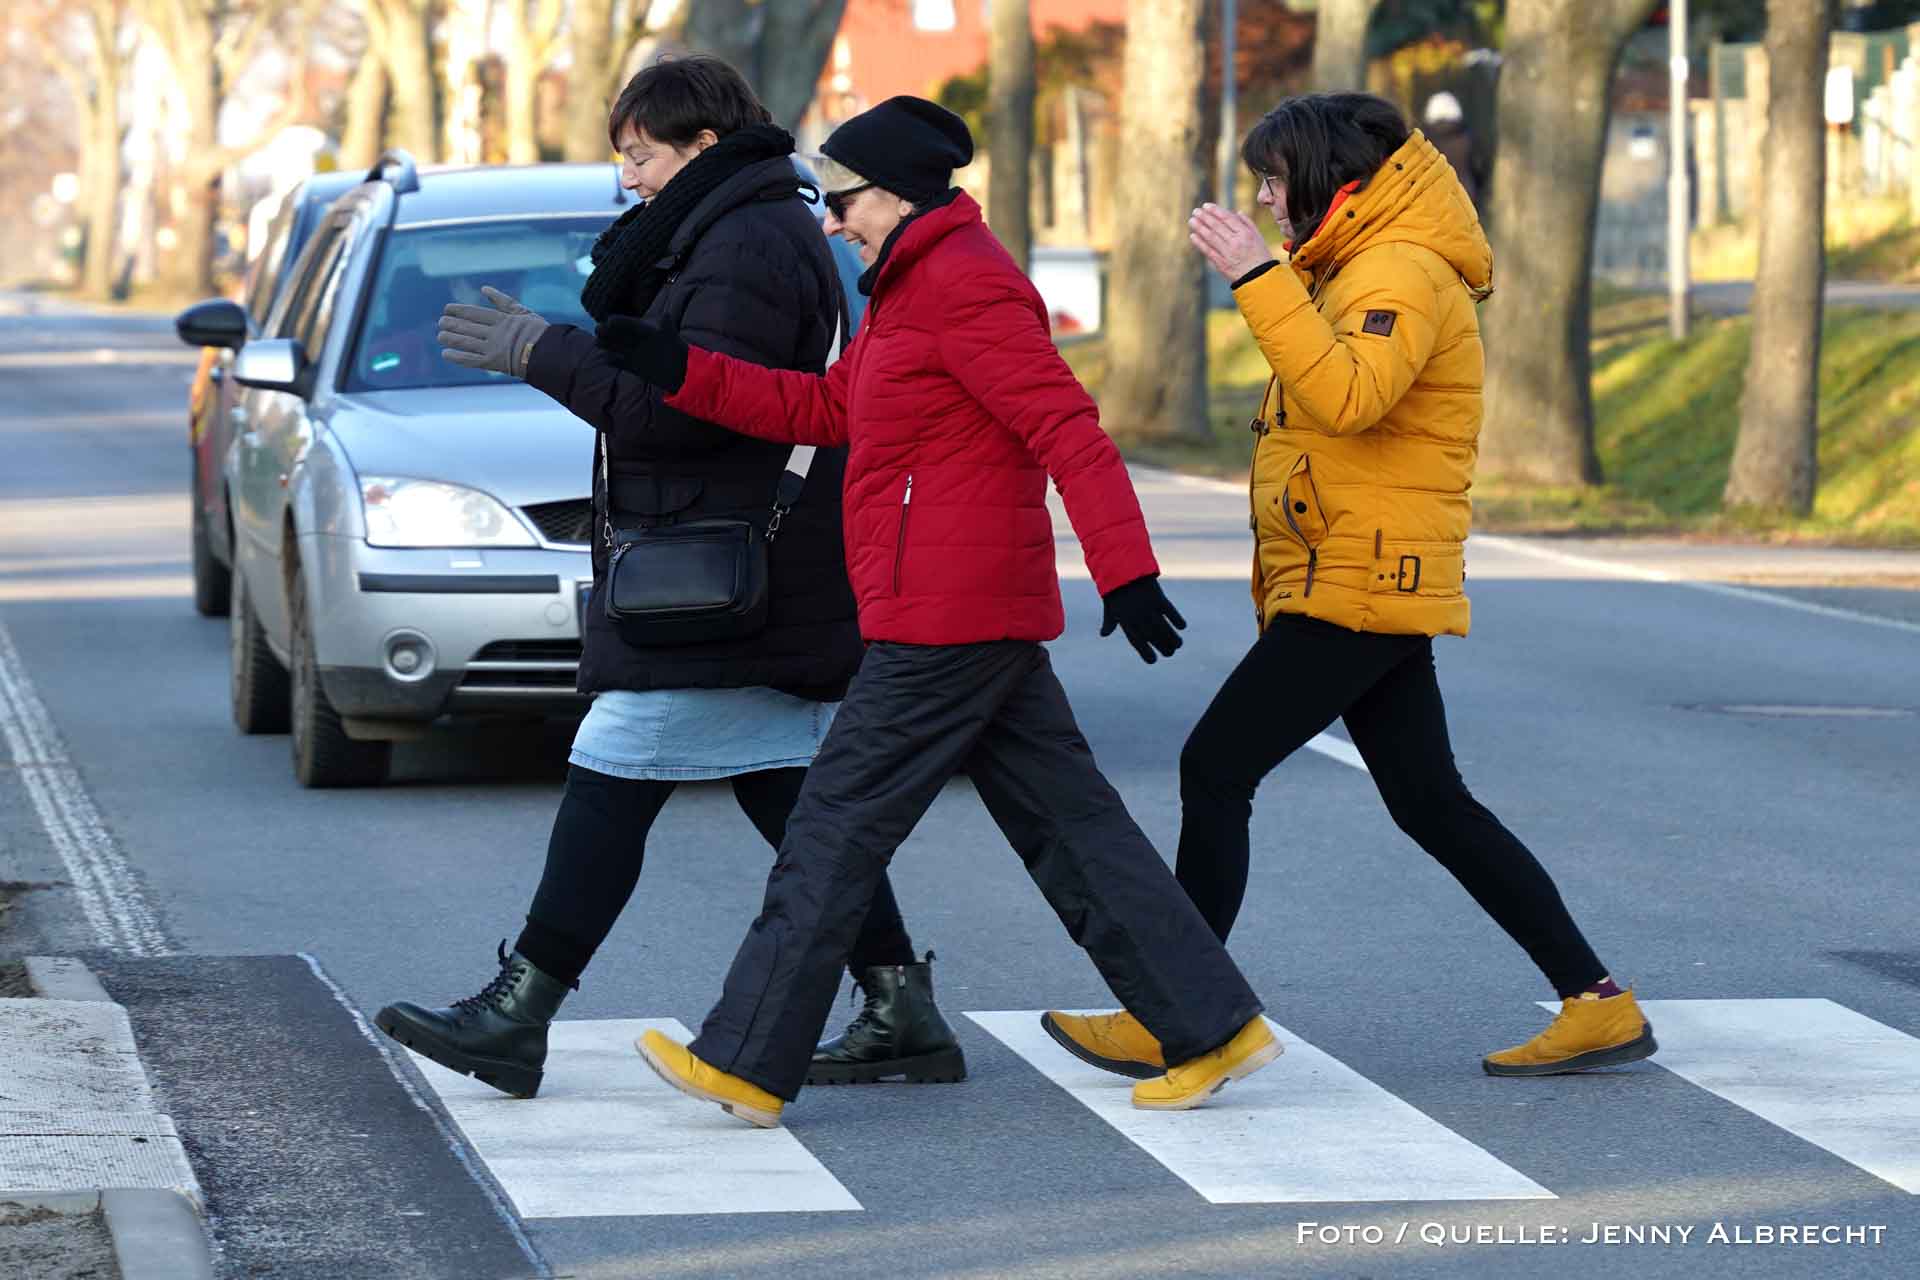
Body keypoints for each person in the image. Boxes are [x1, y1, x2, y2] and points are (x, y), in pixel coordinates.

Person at [598, 95, 1277, 1129]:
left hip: (949, 611)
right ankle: (1213, 1023)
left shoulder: (967, 287)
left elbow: (1067, 426)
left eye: (844, 201)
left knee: (831, 827)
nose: (830, 221)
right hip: (953, 604)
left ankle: (742, 1056)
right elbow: (824, 411)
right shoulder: (908, 290)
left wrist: (1125, 569)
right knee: (1074, 830)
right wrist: (676, 367)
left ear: (901, 193)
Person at [375, 58, 964, 1099]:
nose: (630, 180)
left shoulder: (742, 241)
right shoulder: (735, 224)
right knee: (793, 793)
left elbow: (680, 411)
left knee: (615, 762)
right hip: (735, 554)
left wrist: (543, 354)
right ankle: (898, 1000)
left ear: (699, 144)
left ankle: (520, 1011)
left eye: (641, 156)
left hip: (725, 560)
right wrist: (556, 349)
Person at [1044, 92, 1657, 1081]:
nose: (1265, 200)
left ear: (1341, 180)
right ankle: (1599, 1003)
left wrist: (1257, 277)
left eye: (1277, 180)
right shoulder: (1355, 266)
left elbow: (1349, 395)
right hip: (1357, 568)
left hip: (1363, 576)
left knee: (1215, 766)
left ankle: (1182, 1012)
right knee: (1430, 802)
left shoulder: (1402, 269)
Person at [1422, 91, 1488, 213]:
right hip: (1465, 201)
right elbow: (1479, 168)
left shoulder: (1422, 142)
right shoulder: (1468, 139)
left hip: (1430, 203)